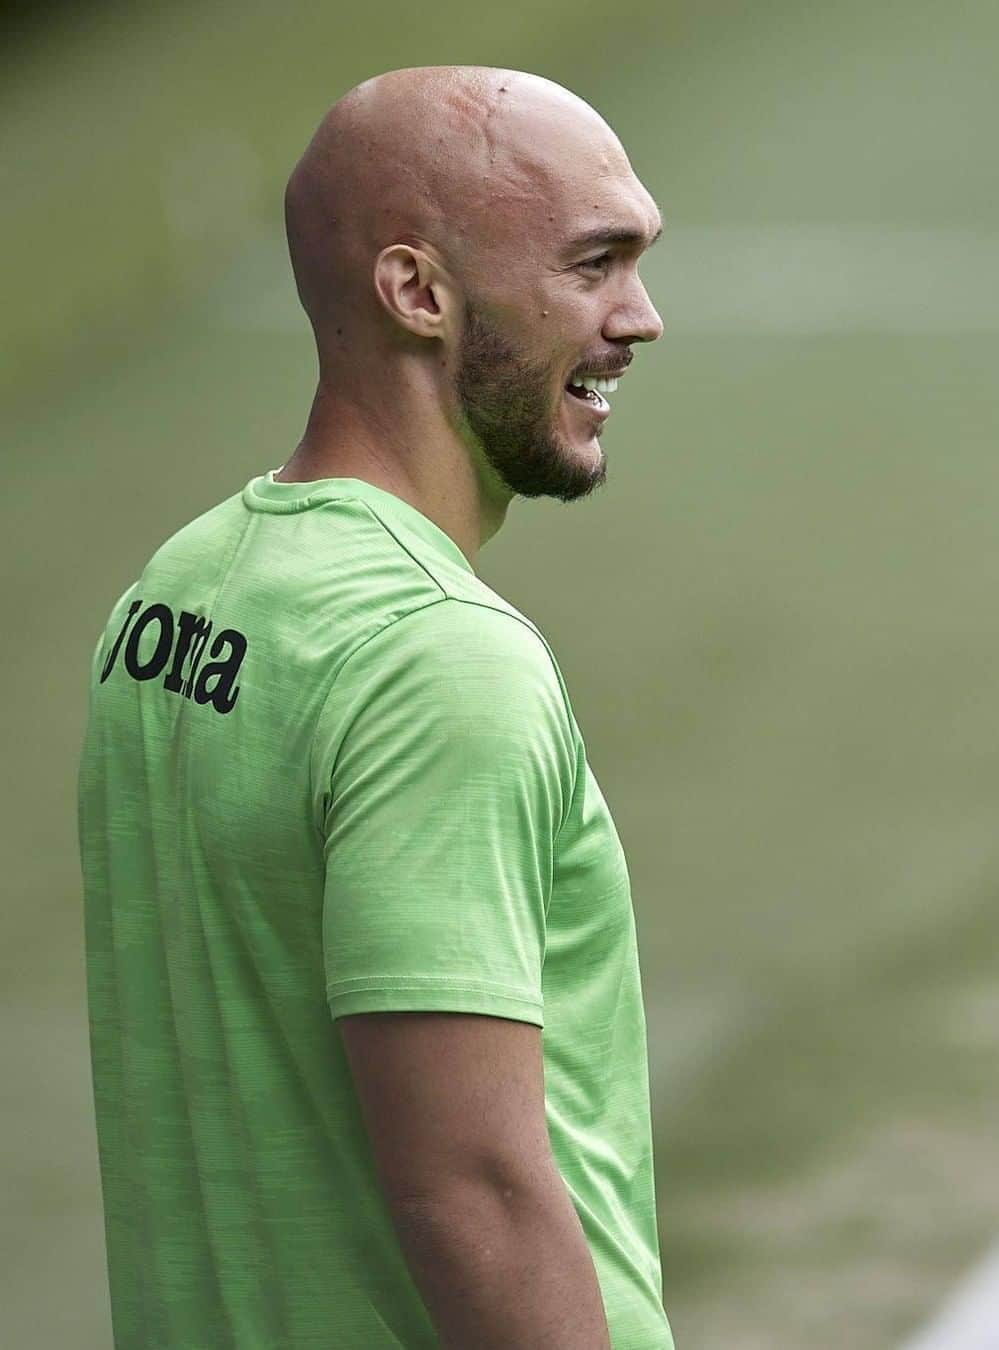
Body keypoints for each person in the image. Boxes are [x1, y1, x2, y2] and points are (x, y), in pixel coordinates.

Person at [77, 64, 670, 1349]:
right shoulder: (440, 661)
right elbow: (473, 1192)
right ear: (417, 292)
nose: (643, 317)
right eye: (593, 265)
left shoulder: (175, 593)